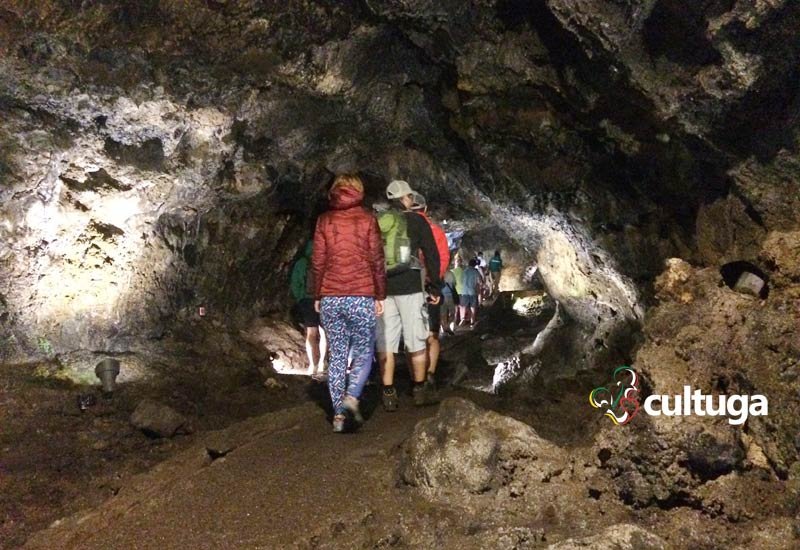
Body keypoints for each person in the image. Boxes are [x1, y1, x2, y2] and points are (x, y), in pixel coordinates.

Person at [311, 174, 386, 433]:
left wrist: (317, 295)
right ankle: (352, 397)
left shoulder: (324, 220)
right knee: (364, 351)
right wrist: (380, 295)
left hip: (331, 296)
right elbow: (377, 259)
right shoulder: (367, 219)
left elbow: (318, 261)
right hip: (361, 295)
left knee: (338, 355)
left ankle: (338, 416)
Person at [376, 180, 442, 410]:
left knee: (386, 343)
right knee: (416, 340)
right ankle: (420, 390)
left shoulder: (378, 223)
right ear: (407, 199)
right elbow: (432, 254)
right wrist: (435, 285)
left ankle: (388, 393)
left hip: (383, 289)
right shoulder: (417, 222)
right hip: (411, 287)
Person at [409, 192, 449, 389]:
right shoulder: (436, 231)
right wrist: (435, 283)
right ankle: (430, 373)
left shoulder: (402, 228)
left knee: (412, 335)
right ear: (425, 209)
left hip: (409, 287)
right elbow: (442, 260)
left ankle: (416, 377)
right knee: (432, 335)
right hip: (431, 286)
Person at [289, 240, 327, 377]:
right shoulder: (325, 263)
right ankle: (322, 363)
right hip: (324, 300)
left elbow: (295, 282)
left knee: (311, 333)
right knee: (324, 333)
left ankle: (313, 365)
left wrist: (300, 298)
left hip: (307, 300)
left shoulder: (302, 263)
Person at [459, 258, 481, 328]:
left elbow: (461, 281)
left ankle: (463, 319)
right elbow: (479, 281)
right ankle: (472, 321)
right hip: (472, 291)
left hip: (464, 291)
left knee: (463, 306)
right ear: (475, 265)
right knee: (473, 307)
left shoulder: (464, 271)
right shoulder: (475, 271)